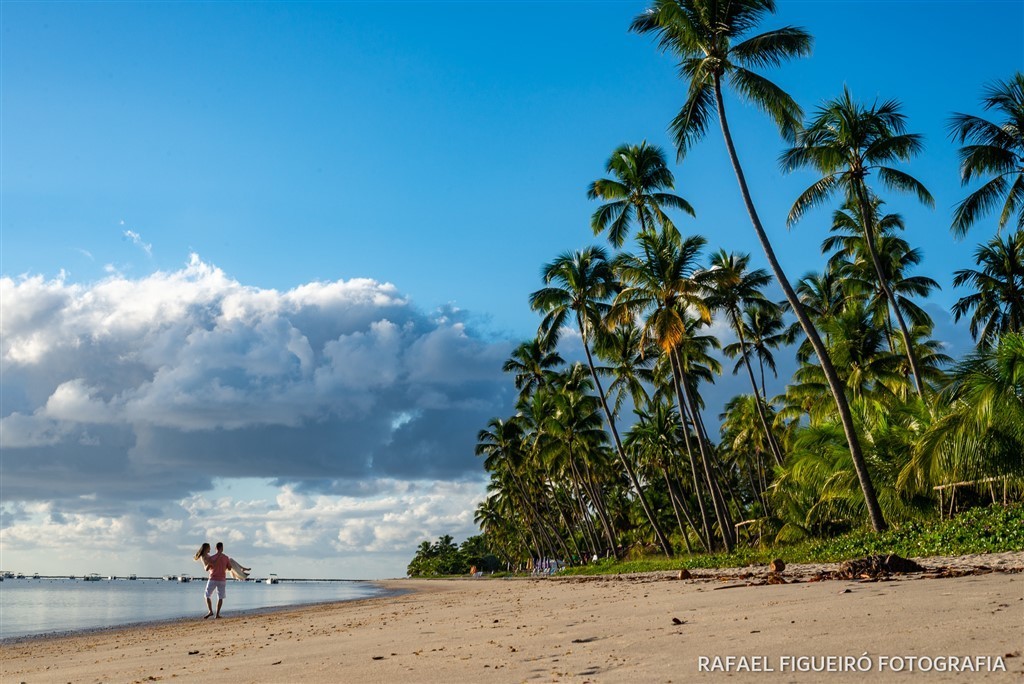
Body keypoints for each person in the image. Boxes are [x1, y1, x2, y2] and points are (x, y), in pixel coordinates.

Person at [203, 542, 231, 619]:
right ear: (222, 548)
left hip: (213, 578)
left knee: (207, 595)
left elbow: (208, 568)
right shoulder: (226, 557)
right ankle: (217, 614)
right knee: (220, 597)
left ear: (216, 548)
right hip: (222, 579)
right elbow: (229, 568)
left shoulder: (211, 558)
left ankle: (210, 611)